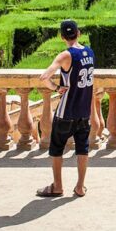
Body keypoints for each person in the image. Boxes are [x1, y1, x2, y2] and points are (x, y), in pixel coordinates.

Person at [36, 19, 95, 198]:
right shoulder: (90, 53)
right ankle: (80, 186)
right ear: (79, 33)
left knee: (56, 148)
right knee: (83, 148)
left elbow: (44, 76)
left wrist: (55, 88)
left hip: (66, 111)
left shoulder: (65, 55)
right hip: (84, 110)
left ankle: (57, 186)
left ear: (62, 37)